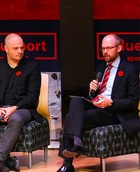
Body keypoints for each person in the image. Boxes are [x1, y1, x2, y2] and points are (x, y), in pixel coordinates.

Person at [57, 34, 139, 172]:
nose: (105, 52)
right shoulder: (101, 68)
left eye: (109, 48)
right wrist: (92, 91)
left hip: (114, 111)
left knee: (72, 118)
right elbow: (93, 96)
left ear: (119, 48)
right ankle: (75, 143)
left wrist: (111, 102)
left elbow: (133, 101)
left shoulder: (129, 70)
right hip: (98, 106)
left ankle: (67, 163)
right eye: (103, 49)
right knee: (76, 101)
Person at [0, 33, 44, 172]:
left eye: (22, 48)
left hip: (22, 109)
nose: (20, 51)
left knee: (16, 119)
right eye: (15, 48)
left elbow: (32, 96)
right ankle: (7, 160)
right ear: (6, 49)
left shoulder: (32, 66)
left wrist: (14, 108)